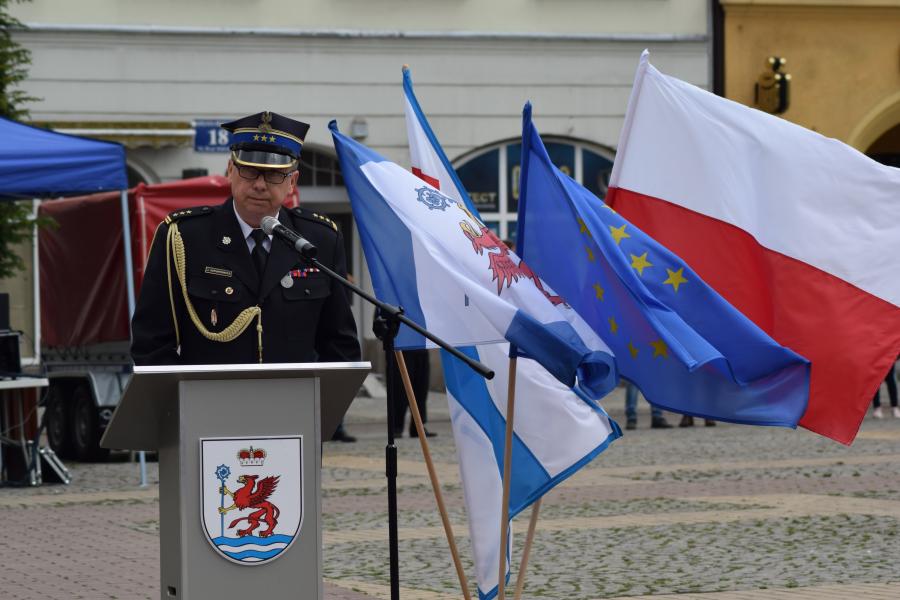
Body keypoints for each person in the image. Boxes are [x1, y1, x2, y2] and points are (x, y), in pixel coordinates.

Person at [130, 111, 361, 440]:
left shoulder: (318, 240)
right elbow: (151, 343)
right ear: (230, 170)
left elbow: (339, 345)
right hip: (205, 422)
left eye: (274, 175)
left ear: (292, 182)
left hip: (293, 425)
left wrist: (319, 416)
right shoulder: (184, 237)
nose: (259, 184)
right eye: (250, 170)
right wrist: (180, 413)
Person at [389, 349, 435, 438]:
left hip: (421, 346)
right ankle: (396, 427)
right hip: (401, 348)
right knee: (400, 389)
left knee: (421, 389)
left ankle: (418, 427)